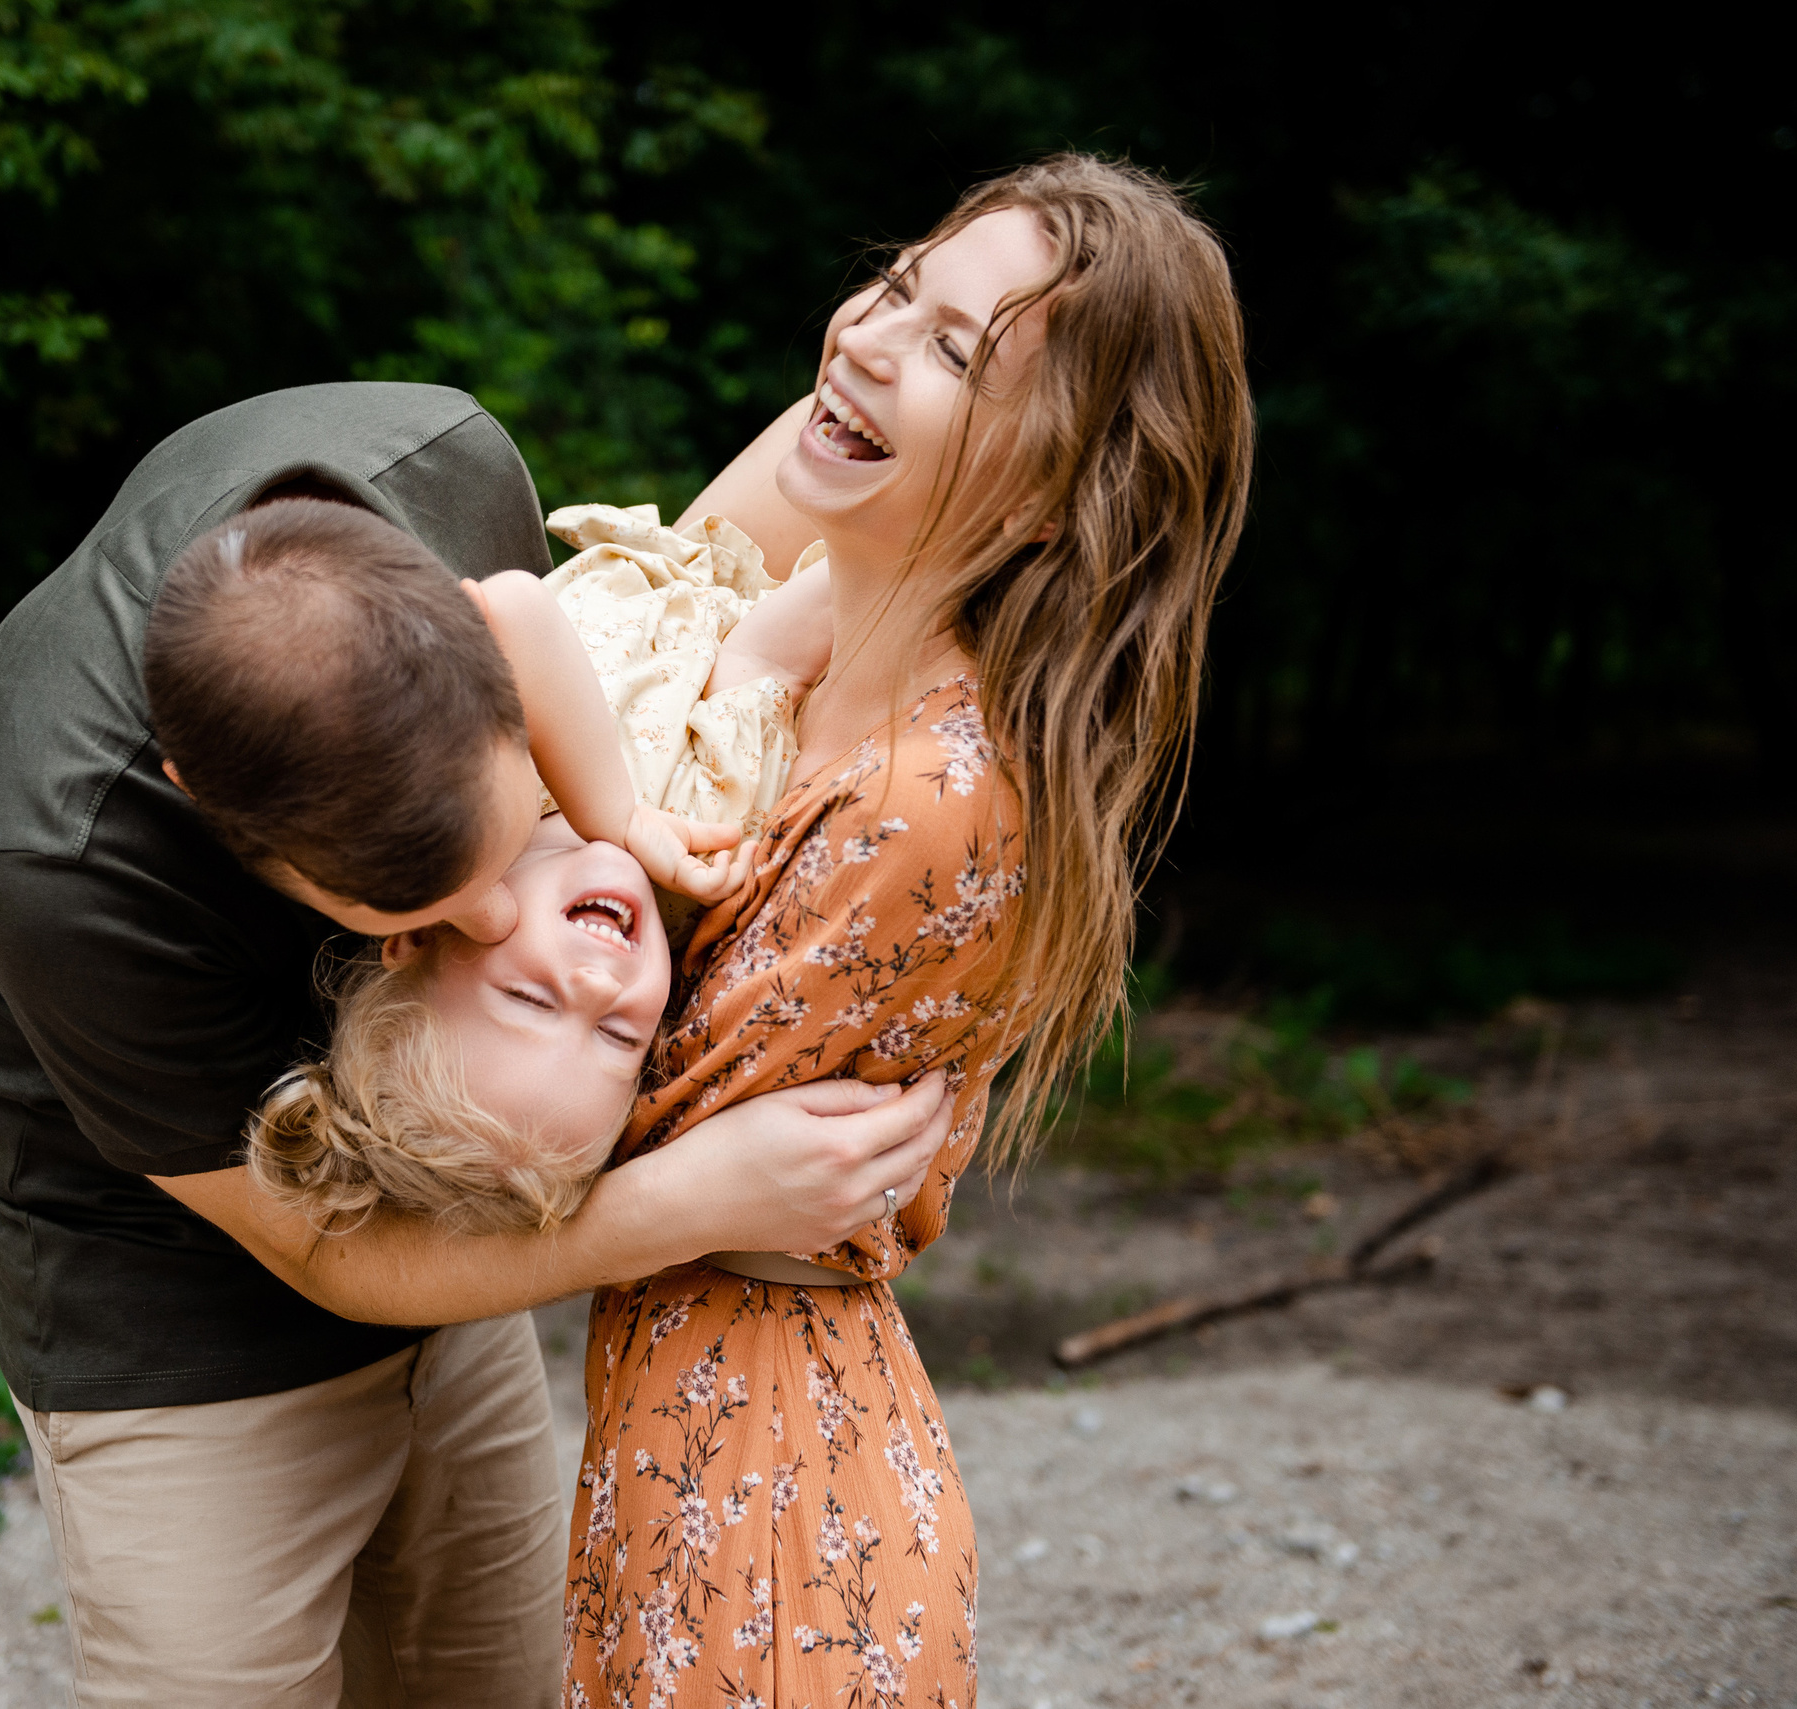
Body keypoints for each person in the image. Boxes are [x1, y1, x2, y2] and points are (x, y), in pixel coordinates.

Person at [0, 381, 956, 1708]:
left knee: (494, 1675)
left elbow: (688, 588)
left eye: (505, 841)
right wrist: (689, 1200)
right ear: (204, 801)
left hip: (464, 1184)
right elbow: (323, 1247)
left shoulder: (442, 468)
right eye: (415, 907)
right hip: (170, 1304)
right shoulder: (55, 859)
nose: (488, 917)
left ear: (495, 649)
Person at [561, 154, 1254, 1707]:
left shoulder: (933, 799)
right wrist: (748, 658)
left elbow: (581, 1121)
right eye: (893, 284)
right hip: (685, 1443)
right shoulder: (826, 638)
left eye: (953, 350)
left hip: (772, 1518)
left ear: (1056, 491)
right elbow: (729, 527)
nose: (866, 338)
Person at [230, 500, 837, 1235]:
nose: (597, 986)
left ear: (418, 933)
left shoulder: (449, 791)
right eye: (618, 1036)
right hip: (775, 556)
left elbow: (510, 609)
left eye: (531, 999)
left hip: (677, 535)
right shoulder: (706, 841)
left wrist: (610, 815)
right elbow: (773, 655)